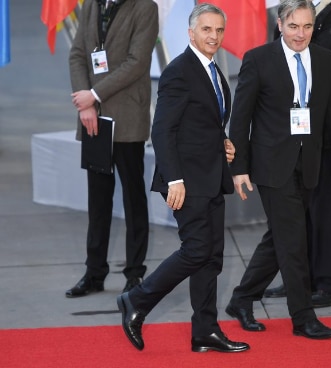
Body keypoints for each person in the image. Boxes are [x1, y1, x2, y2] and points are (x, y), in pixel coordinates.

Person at [116, 3, 249, 353]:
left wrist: (223, 144)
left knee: (212, 256)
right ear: (191, 32)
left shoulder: (213, 71)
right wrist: (174, 179)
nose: (214, 37)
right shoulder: (179, 71)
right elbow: (162, 130)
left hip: (210, 175)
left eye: (219, 30)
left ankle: (205, 331)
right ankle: (137, 300)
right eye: (206, 30)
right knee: (196, 250)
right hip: (186, 182)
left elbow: (203, 123)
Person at [225, 0, 331, 339]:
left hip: (311, 162)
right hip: (272, 165)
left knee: (282, 237)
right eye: (294, 26)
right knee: (294, 240)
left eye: (308, 26)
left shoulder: (325, 60)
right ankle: (303, 317)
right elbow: (239, 119)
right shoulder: (258, 59)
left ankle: (241, 298)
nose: (301, 34)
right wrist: (239, 167)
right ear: (281, 25)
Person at [264, 0, 331, 308]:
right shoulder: (302, 11)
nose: (299, 31)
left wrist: (293, 29)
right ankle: (299, 279)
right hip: (297, 127)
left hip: (328, 129)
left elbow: (312, 55)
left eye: (303, 26)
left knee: (324, 210)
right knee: (298, 210)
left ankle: (329, 283)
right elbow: (275, 53)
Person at [66, 0, 158, 297]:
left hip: (127, 117)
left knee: (133, 198)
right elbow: (78, 54)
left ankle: (135, 273)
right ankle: (94, 273)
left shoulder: (145, 7)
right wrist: (86, 105)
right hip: (94, 119)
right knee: (98, 200)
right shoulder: (92, 4)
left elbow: (137, 62)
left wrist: (92, 94)